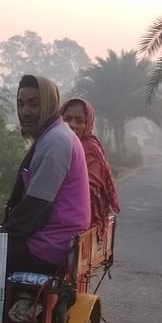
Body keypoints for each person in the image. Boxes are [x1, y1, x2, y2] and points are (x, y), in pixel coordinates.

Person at [4, 75, 91, 275]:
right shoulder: (52, 136)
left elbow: (35, 209)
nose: (25, 111)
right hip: (52, 240)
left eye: (34, 104)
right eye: (21, 104)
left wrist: (1, 234)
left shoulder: (56, 141)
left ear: (50, 104)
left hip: (48, 248)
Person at [61, 98, 120, 233]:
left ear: (88, 124)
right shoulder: (58, 145)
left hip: (82, 221)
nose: (72, 124)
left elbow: (88, 190)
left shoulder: (90, 148)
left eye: (79, 121)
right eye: (67, 118)